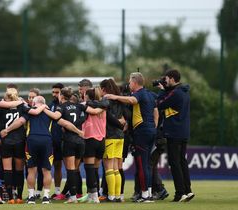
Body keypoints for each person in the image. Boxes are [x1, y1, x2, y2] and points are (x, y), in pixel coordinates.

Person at [43, 87, 104, 204]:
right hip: (81, 142)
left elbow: (55, 117)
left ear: (62, 96)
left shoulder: (62, 106)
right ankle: (91, 195)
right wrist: (104, 105)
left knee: (70, 170)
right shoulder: (80, 106)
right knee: (75, 170)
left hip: (69, 140)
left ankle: (73, 196)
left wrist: (43, 109)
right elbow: (94, 111)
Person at [105, 72, 158, 203]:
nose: (128, 84)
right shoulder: (151, 94)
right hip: (151, 131)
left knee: (142, 164)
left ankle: (145, 195)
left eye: (129, 82)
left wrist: (114, 96)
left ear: (134, 82)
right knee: (147, 165)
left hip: (142, 132)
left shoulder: (138, 94)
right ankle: (148, 192)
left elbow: (131, 100)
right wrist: (154, 126)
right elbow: (155, 111)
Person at [156, 69, 194, 202]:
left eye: (166, 79)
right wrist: (165, 89)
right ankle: (188, 191)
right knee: (182, 161)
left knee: (174, 162)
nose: (164, 81)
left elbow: (159, 104)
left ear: (172, 79)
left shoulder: (176, 93)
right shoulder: (184, 91)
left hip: (174, 132)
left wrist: (161, 90)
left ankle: (180, 193)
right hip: (183, 131)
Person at [49, 83, 65, 199]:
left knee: (70, 167)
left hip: (65, 140)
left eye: (57, 92)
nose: (55, 94)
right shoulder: (50, 105)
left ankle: (73, 191)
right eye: (53, 92)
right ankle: (57, 191)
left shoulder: (66, 105)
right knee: (55, 165)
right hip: (52, 140)